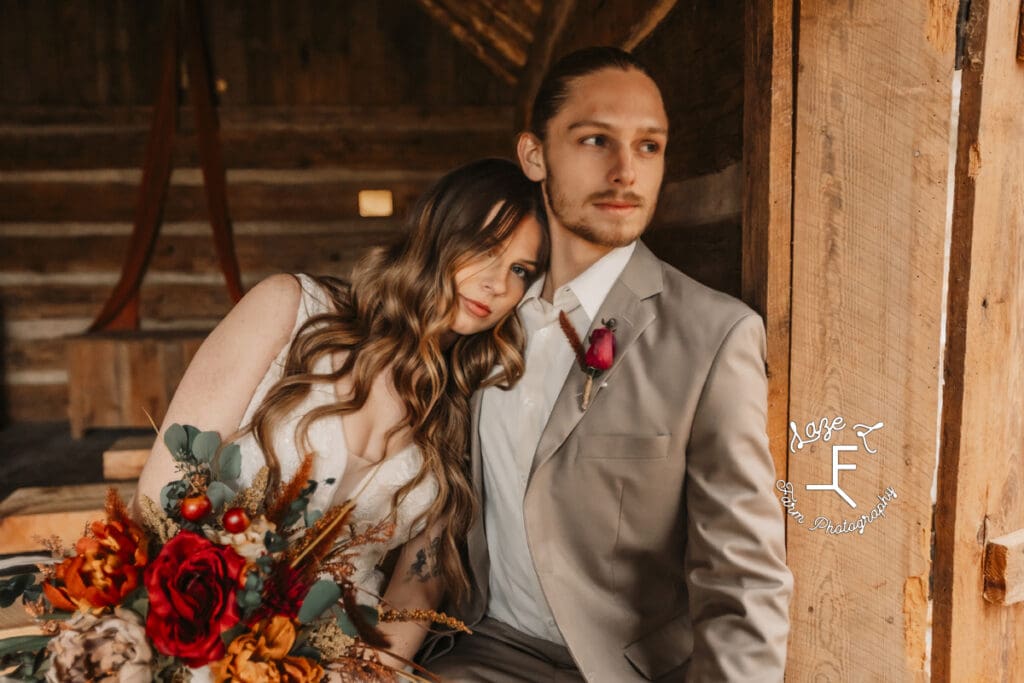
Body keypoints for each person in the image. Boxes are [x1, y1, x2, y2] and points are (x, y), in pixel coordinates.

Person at [424, 47, 793, 682]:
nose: (626, 171)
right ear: (535, 155)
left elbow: (743, 576)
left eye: (649, 146)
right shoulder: (484, 311)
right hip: (482, 650)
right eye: (597, 140)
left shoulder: (714, 334)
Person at [133, 157, 548, 665]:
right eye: (486, 248)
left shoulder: (467, 406)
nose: (497, 284)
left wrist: (378, 674)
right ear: (439, 230)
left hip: (336, 656)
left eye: (520, 270)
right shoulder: (292, 310)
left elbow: (421, 578)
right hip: (193, 626)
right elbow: (160, 495)